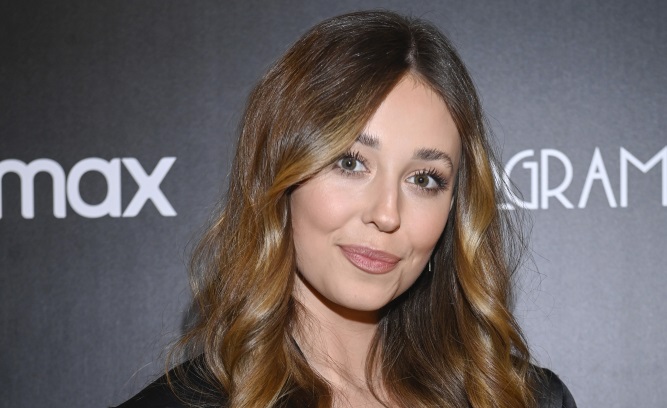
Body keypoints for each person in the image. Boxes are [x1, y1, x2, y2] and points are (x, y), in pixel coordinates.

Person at [115, 10, 576, 408]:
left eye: (424, 179)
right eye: (351, 163)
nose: (387, 213)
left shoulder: (527, 398)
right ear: (279, 176)